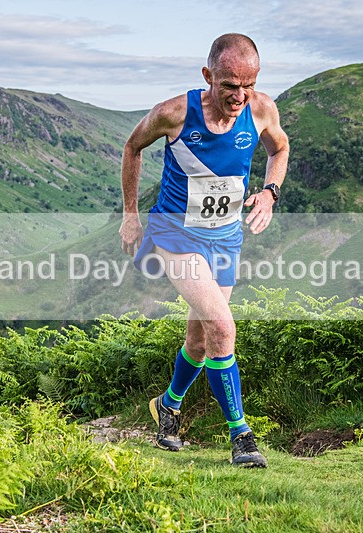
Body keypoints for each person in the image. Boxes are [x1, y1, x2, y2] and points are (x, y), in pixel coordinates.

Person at [119, 33, 289, 468]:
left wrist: (269, 192)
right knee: (223, 326)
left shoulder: (262, 109)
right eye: (229, 85)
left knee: (199, 340)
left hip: (226, 237)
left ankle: (168, 407)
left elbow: (280, 148)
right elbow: (132, 147)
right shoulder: (174, 113)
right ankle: (241, 436)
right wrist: (130, 213)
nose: (239, 95)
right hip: (174, 233)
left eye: (247, 84)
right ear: (207, 76)